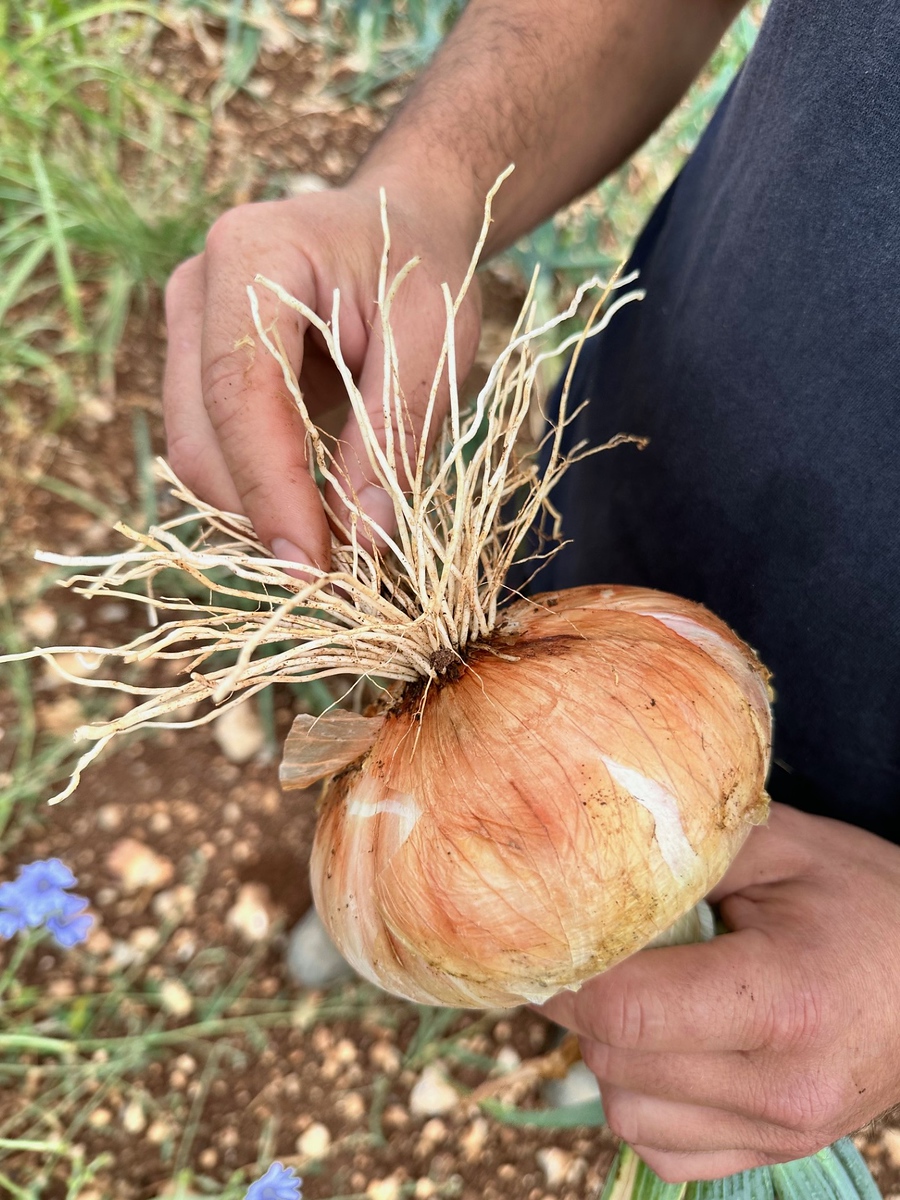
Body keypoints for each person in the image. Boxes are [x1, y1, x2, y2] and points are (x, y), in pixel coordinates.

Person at [163, 0, 900, 1183]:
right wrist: (423, 189)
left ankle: (554, 963)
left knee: (717, 994)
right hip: (618, 555)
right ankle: (480, 911)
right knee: (539, 800)